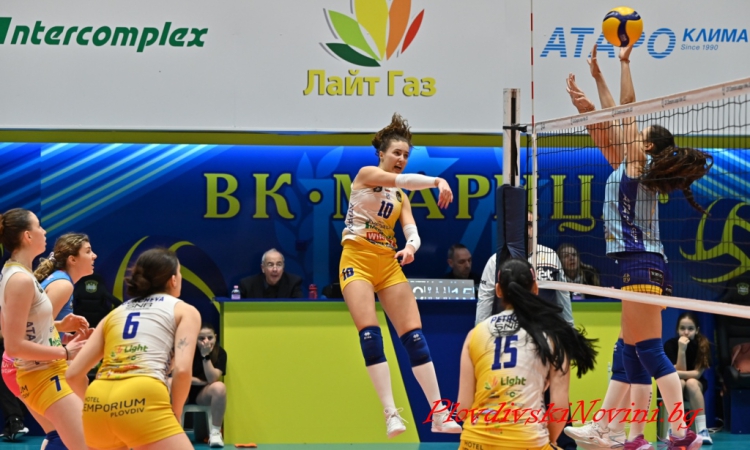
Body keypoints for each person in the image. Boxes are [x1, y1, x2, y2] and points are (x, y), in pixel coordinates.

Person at [562, 44, 711, 450]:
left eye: (638, 135)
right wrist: (594, 87)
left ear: (644, 147)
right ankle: (625, 434)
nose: (632, 133)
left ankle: (679, 431)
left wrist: (622, 64)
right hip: (641, 264)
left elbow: (626, 108)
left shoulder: (636, 164)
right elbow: (612, 122)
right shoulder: (628, 166)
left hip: (642, 264)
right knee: (628, 351)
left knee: (647, 350)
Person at [338, 113, 460, 438]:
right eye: (396, 153)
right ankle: (391, 413)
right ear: (382, 154)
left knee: (415, 338)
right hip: (357, 260)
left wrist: (410, 248)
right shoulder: (366, 175)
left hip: (388, 263)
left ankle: (438, 413)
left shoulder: (400, 197)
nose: (401, 159)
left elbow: (412, 232)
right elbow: (404, 181)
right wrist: (437, 181)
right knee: (370, 336)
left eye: (406, 155)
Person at [66, 248, 201, 450]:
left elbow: (73, 374)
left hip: (97, 401)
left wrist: (98, 405)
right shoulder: (184, 310)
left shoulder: (115, 313)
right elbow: (182, 371)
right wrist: (176, 411)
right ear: (173, 280)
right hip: (142, 394)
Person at [456, 258, 598, 450]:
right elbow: (559, 411)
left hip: (475, 443)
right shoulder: (553, 336)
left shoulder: (474, 335)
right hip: (528, 442)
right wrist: (549, 442)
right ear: (535, 288)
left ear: (498, 290)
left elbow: (463, 409)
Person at [0, 208, 90, 450]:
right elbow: (13, 345)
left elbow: (14, 328)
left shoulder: (16, 273)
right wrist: (65, 352)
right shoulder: (20, 279)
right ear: (28, 236)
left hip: (43, 372)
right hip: (41, 375)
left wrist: (60, 329)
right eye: (39, 226)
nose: (44, 231)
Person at [477, 212, 573, 327]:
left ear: (535, 228)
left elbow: (563, 294)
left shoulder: (551, 256)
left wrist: (570, 328)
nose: (525, 230)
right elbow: (486, 298)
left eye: (529, 224)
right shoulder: (496, 260)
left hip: (545, 328)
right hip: (508, 328)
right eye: (520, 225)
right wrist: (480, 328)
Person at [663, 312, 712, 445]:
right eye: (682, 328)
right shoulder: (669, 345)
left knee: (691, 383)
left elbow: (697, 375)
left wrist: (678, 373)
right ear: (677, 330)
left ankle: (702, 430)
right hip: (675, 383)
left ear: (697, 330)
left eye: (690, 329)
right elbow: (677, 374)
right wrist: (681, 350)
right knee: (679, 382)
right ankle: (674, 429)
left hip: (697, 384)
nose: (686, 332)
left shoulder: (703, 345)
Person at [34, 233, 97, 321]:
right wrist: (63, 327)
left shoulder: (61, 279)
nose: (94, 256)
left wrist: (67, 331)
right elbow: (39, 326)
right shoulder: (63, 285)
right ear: (72, 260)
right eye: (88, 251)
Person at [186, 323, 227, 448]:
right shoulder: (187, 350)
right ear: (195, 338)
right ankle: (171, 432)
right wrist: (199, 381)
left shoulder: (220, 353)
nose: (206, 341)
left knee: (219, 387)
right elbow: (177, 376)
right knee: (169, 383)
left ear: (215, 337)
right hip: (184, 391)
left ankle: (215, 433)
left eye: (210, 338)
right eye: (201, 338)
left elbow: (212, 379)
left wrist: (205, 356)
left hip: (203, 394)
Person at [239, 249, 303, 298]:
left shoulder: (293, 283)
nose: (275, 269)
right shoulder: (247, 285)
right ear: (263, 268)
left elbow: (299, 308)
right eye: (270, 265)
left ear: (283, 268)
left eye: (279, 265)